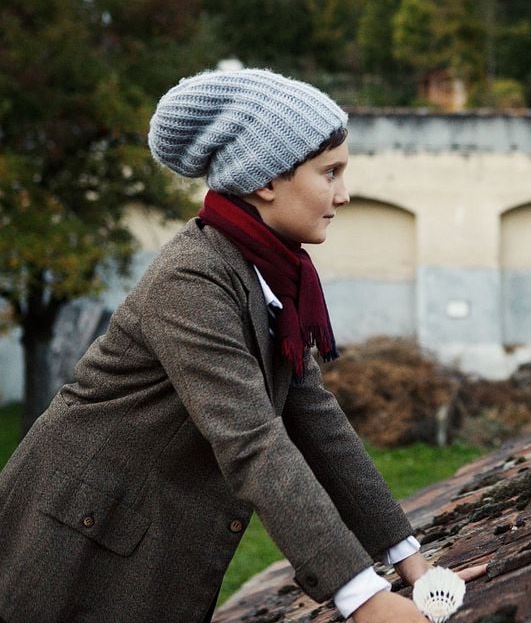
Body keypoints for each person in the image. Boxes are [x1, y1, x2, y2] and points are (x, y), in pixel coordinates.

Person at [0, 69, 469, 622]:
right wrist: (361, 597)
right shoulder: (192, 280)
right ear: (265, 180)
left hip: (123, 530)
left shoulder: (270, 272)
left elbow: (313, 416)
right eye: (330, 172)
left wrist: (407, 558)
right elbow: (252, 440)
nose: (343, 194)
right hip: (74, 540)